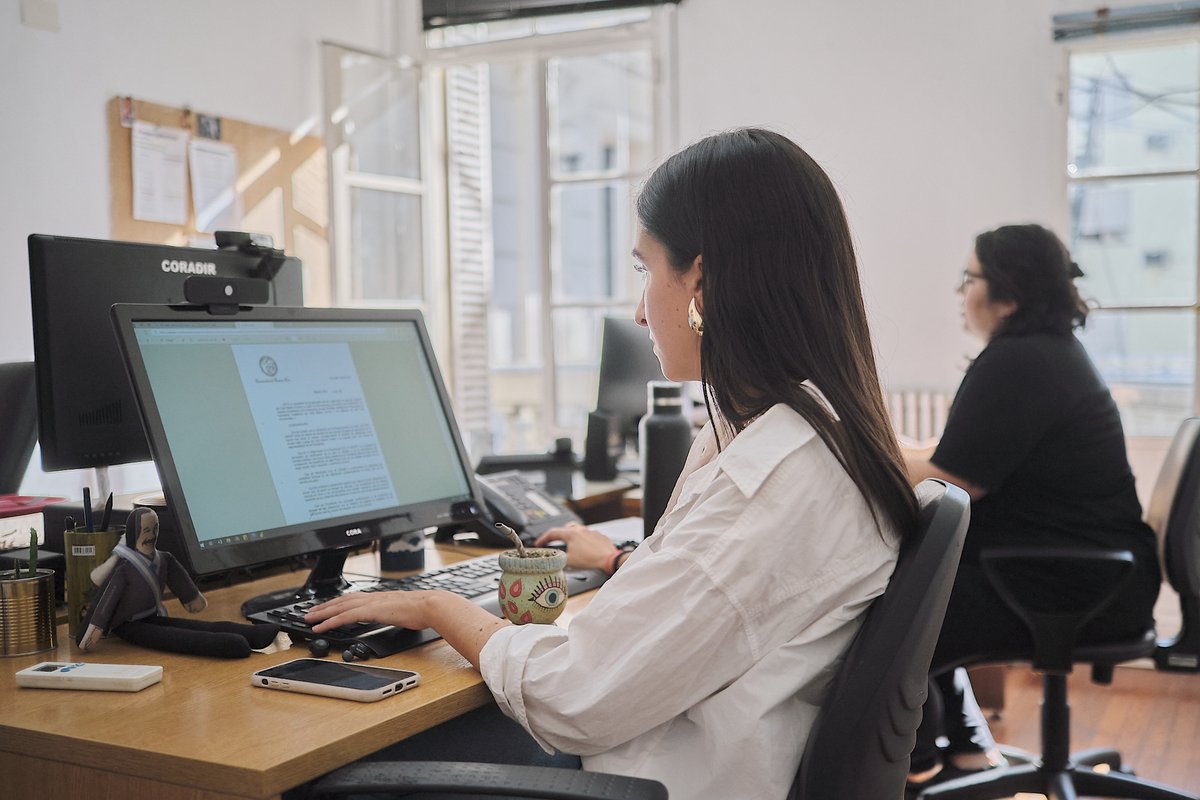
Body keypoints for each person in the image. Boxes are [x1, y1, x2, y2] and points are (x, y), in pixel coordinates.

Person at [306, 128, 918, 799]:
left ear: (702, 286)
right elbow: (725, 600)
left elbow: (572, 696)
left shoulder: (770, 482)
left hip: (646, 776)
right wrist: (621, 564)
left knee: (317, 771)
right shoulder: (804, 435)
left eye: (644, 269)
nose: (637, 308)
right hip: (668, 748)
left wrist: (438, 605)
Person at [903, 223, 1162, 790]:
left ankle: (913, 767)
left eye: (968, 278)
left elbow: (952, 480)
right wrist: (886, 446)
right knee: (924, 578)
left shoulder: (1019, 363)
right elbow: (954, 458)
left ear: (1009, 293)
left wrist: (849, 449)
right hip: (1089, 573)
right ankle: (966, 749)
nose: (959, 292)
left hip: (1071, 585)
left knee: (895, 602)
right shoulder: (1041, 355)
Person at [78, 507, 280, 658]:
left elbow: (177, 577)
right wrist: (90, 633)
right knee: (179, 637)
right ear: (134, 532)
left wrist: (192, 598)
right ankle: (226, 643)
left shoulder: (162, 558)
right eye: (146, 529)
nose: (152, 534)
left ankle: (250, 633)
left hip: (152, 614)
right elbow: (105, 602)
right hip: (129, 625)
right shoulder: (124, 569)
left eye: (155, 529)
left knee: (196, 625)